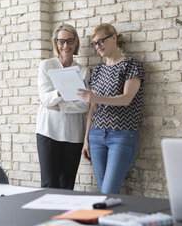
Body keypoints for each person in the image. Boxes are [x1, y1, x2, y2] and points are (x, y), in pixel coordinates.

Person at [77, 23, 144, 194]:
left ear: (114, 38)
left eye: (101, 41)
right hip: (96, 135)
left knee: (108, 191)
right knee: (104, 192)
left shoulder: (130, 65)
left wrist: (96, 98)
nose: (98, 46)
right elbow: (92, 109)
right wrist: (86, 139)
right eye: (95, 43)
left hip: (122, 134)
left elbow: (126, 99)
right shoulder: (98, 71)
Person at [36, 24, 90, 190]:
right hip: (48, 132)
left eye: (69, 41)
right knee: (48, 184)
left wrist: (59, 107)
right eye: (61, 41)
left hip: (73, 135)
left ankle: (64, 217)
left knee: (67, 186)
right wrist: (61, 92)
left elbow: (84, 105)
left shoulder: (84, 71)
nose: (65, 46)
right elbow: (45, 99)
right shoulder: (46, 65)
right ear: (56, 43)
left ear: (75, 43)